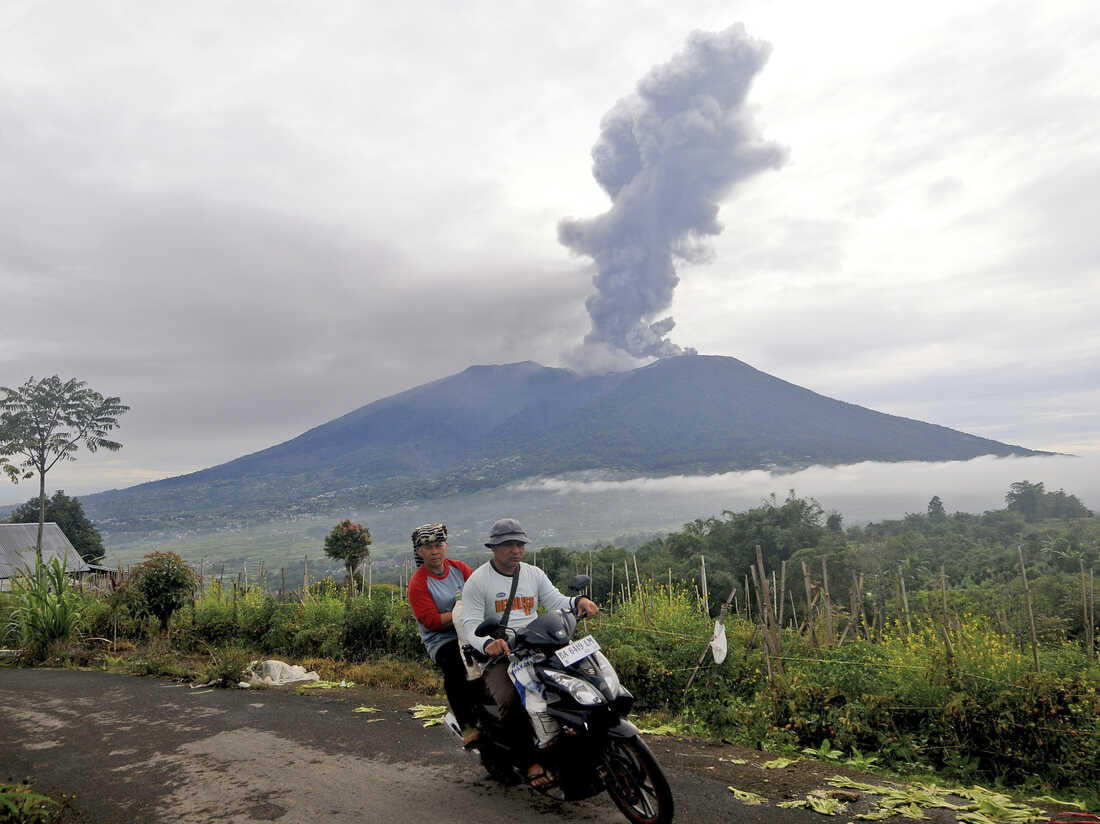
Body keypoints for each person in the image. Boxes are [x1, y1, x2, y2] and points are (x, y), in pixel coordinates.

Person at [460, 518, 599, 789]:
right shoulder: (478, 581)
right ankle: (529, 761)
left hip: (540, 646)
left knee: (581, 681)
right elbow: (470, 624)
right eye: (509, 545)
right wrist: (488, 643)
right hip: (502, 656)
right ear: (494, 548)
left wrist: (578, 601)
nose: (516, 550)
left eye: (520, 544)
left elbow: (556, 600)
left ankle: (580, 744)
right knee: (512, 700)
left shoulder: (533, 574)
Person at [407, 523, 480, 746]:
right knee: (456, 668)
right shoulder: (418, 583)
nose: (434, 551)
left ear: (446, 546)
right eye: (428, 547)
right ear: (420, 552)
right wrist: (460, 612)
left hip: (470, 630)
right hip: (442, 639)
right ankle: (467, 726)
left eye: (438, 545)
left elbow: (479, 592)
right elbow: (431, 621)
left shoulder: (459, 569)